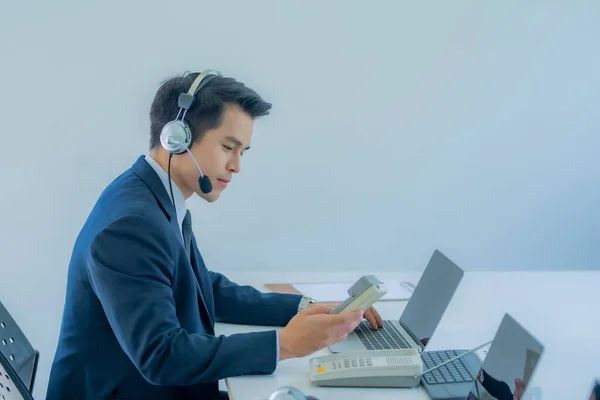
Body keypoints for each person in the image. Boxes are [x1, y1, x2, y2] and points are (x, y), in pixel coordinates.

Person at [46, 69, 383, 400]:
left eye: (242, 152)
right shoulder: (132, 225)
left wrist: (306, 309)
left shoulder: (151, 197)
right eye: (228, 147)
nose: (237, 165)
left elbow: (199, 285)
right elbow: (161, 356)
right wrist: (285, 344)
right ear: (177, 138)